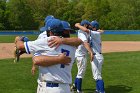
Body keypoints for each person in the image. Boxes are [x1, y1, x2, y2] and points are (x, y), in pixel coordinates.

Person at [15, 19, 82, 93]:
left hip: (50, 88)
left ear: (50, 32)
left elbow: (20, 46)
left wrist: (19, 39)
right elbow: (79, 41)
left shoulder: (48, 41)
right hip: (65, 88)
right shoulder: (72, 46)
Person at [75, 20, 105, 93]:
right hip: (97, 56)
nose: (90, 26)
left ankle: (102, 91)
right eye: (89, 25)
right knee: (97, 75)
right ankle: (98, 90)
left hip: (96, 56)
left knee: (97, 76)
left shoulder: (94, 33)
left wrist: (77, 25)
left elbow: (85, 30)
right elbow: (101, 31)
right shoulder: (96, 33)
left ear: (94, 28)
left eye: (91, 26)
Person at [70, 20, 94, 93]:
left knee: (79, 72)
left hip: (80, 54)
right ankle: (79, 90)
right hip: (81, 55)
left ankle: (74, 86)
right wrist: (91, 52)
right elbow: (85, 43)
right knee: (81, 73)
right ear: (85, 25)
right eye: (88, 25)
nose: (90, 26)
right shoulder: (82, 32)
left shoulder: (83, 32)